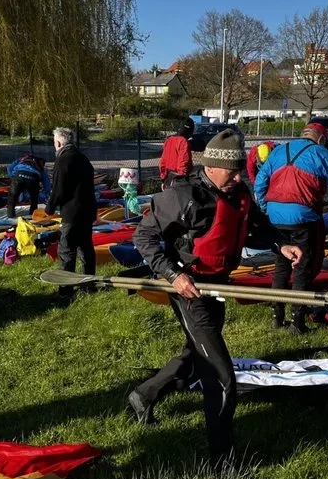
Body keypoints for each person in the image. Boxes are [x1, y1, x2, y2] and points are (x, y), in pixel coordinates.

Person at [129, 129, 302, 462]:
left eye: (240, 171)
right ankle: (224, 459)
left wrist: (282, 243)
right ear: (210, 165)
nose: (238, 177)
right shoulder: (183, 196)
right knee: (221, 375)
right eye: (232, 171)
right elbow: (144, 237)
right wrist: (174, 275)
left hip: (219, 286)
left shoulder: (238, 192)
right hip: (190, 290)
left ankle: (144, 395)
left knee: (195, 356)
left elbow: (258, 225)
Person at [253, 122, 328, 335]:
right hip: (303, 218)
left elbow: (260, 182)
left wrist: (266, 208)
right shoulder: (320, 154)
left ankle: (276, 316)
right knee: (302, 269)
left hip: (276, 217)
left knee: (281, 267)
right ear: (321, 139)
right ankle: (297, 322)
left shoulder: (279, 151)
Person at [46, 128, 97, 301]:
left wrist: (49, 208)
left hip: (72, 211)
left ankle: (65, 291)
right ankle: (89, 285)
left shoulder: (63, 159)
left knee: (67, 250)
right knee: (86, 249)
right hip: (88, 210)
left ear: (59, 143)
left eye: (54, 142)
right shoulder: (83, 158)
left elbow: (58, 188)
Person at [6, 152, 49, 219]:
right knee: (34, 199)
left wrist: (13, 177)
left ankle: (10, 216)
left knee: (12, 198)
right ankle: (33, 216)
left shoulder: (21, 160)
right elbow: (46, 183)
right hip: (33, 179)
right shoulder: (41, 167)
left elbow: (9, 168)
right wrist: (46, 194)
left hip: (19, 176)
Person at [159, 117, 194, 189]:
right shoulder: (183, 142)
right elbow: (183, 162)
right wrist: (182, 180)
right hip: (178, 179)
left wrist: (163, 179)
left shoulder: (169, 140)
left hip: (168, 177)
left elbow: (163, 162)